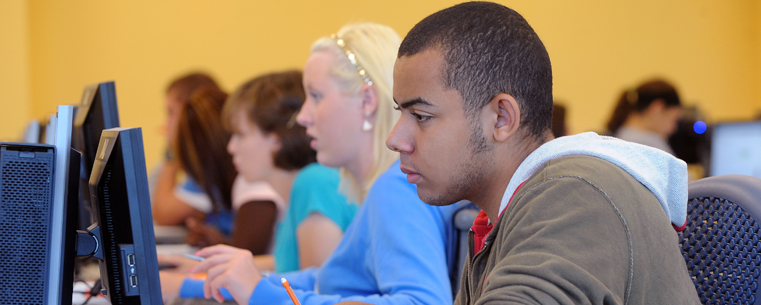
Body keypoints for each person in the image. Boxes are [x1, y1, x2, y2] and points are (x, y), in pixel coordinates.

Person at [386, 2, 700, 304]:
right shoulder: (513, 210)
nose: (395, 139)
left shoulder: (575, 198)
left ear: (501, 118)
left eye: (421, 116)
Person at [167, 23, 459, 305]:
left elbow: (423, 301)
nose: (303, 116)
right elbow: (327, 284)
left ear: (367, 100)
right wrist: (204, 280)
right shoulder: (386, 188)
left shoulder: (395, 188)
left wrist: (260, 293)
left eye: (316, 96)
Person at [606, 79, 683, 155]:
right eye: (674, 119)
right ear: (657, 108)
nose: (674, 129)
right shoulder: (651, 144)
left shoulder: (617, 136)